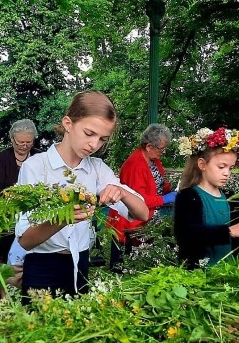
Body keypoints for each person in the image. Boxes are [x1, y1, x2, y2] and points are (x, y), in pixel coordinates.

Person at [12, 90, 148, 297]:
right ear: (68, 123)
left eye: (103, 139)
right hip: (42, 266)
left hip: (80, 263)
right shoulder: (36, 167)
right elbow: (25, 240)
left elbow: (143, 213)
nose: (94, 145)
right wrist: (63, 217)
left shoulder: (97, 169)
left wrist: (120, 191)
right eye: (89, 133)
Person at [173, 127, 239, 269]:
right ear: (202, 164)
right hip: (199, 275)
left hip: (230, 273)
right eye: (221, 167)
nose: (226, 173)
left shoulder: (232, 198)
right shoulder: (188, 197)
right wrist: (228, 232)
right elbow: (187, 236)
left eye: (230, 168)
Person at [106, 123, 176, 270]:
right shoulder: (135, 165)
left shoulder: (153, 159)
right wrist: (165, 199)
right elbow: (139, 199)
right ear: (149, 146)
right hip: (128, 222)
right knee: (123, 266)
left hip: (146, 217)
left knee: (143, 263)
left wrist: (171, 189)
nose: (163, 152)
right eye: (161, 148)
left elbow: (158, 183)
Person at [0, 119, 38, 198]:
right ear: (12, 139)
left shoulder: (40, 156)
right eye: (21, 142)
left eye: (29, 142)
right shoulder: (2, 158)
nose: (25, 146)